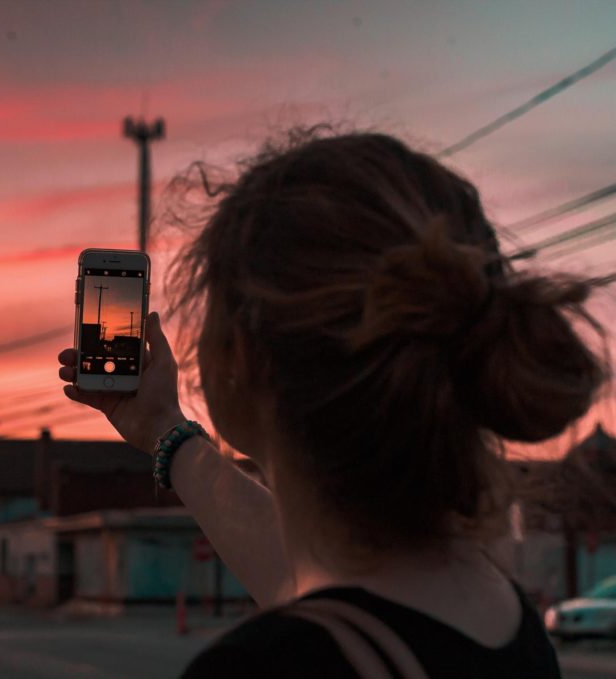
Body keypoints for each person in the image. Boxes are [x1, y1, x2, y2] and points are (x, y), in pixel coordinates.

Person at [57, 127, 607, 677]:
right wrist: (163, 429)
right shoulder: (506, 623)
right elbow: (297, 576)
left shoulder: (270, 667)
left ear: (243, 357)